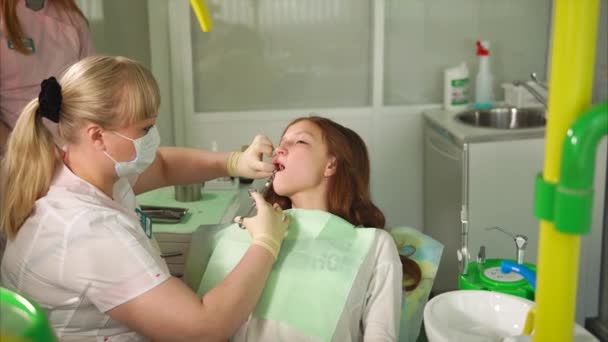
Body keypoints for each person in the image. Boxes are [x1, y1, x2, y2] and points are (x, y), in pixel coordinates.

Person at [0, 55, 290, 341]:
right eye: (145, 129)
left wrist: (233, 162)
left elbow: (163, 166)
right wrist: (266, 244)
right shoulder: (87, 229)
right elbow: (204, 328)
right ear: (97, 136)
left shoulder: (74, 167)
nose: (153, 137)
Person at [198, 116, 422, 341]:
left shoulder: (374, 244)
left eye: (300, 142)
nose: (278, 150)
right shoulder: (248, 234)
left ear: (331, 164)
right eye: (281, 141)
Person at [0, 0, 94, 152]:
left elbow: (90, 91)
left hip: (69, 150)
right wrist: (17, 152)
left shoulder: (71, 19)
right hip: (15, 154)